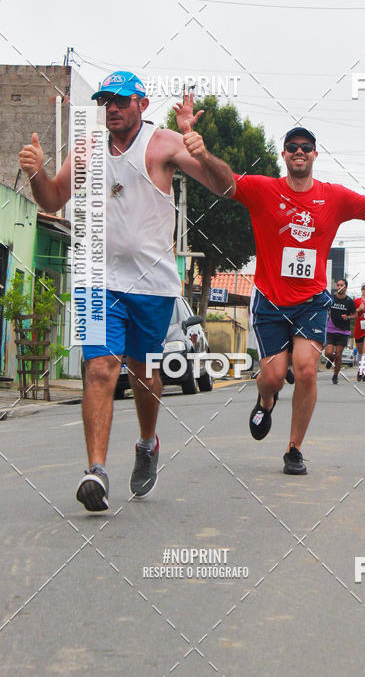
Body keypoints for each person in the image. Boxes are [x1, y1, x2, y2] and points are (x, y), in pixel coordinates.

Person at [176, 94, 365, 475]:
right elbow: (224, 182)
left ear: (315, 155)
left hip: (311, 301)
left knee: (305, 369)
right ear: (284, 155)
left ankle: (293, 448)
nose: (299, 152)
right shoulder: (263, 190)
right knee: (272, 375)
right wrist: (199, 148)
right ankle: (266, 399)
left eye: (306, 147)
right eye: (292, 147)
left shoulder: (332, 197)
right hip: (270, 301)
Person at [18, 72, 234, 511]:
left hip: (153, 286)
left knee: (143, 373)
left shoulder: (164, 144)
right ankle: (95, 471)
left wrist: (202, 149)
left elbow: (225, 186)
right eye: (105, 101)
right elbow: (52, 200)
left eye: (120, 100)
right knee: (99, 367)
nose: (111, 108)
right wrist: (38, 172)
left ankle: (147, 442)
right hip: (98, 281)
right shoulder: (86, 148)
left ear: (142, 104)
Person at [324, 278, 355, 384]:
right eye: (338, 285)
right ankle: (330, 358)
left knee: (338, 354)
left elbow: (355, 314)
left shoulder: (349, 301)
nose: (339, 287)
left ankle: (335, 375)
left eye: (342, 285)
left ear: (346, 287)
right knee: (328, 352)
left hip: (343, 331)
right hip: (331, 329)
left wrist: (348, 317)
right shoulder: (332, 299)